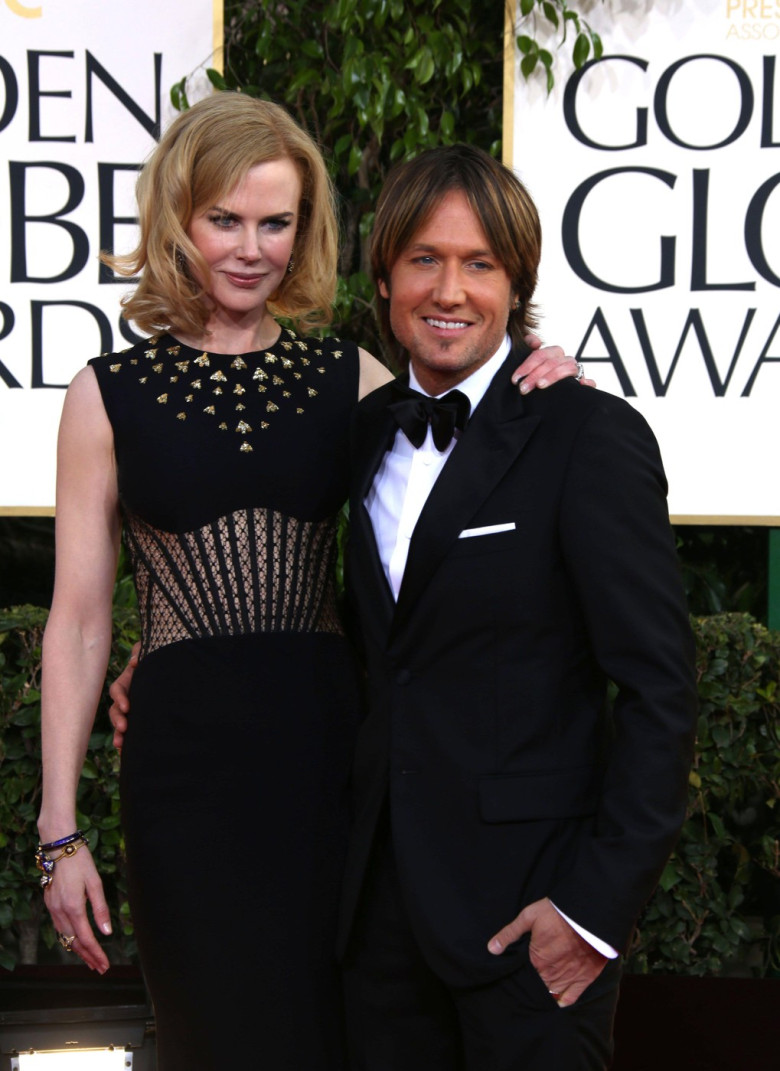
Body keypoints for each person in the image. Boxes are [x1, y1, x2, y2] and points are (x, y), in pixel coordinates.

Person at [36, 94, 582, 1071]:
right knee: (216, 1039)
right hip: (184, 779)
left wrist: (543, 370)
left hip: (331, 763)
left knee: (341, 1038)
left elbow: (461, 434)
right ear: (179, 222)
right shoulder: (104, 394)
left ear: (306, 229)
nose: (251, 248)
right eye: (225, 220)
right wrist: (59, 828)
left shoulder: (351, 379)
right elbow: (78, 622)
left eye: (277, 223)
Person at [334, 144, 699, 1070]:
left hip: (530, 928)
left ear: (516, 283)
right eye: (424, 258)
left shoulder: (586, 434)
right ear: (384, 277)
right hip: (381, 928)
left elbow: (659, 690)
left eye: (479, 263)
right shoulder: (364, 435)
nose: (448, 290)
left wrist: (593, 912)